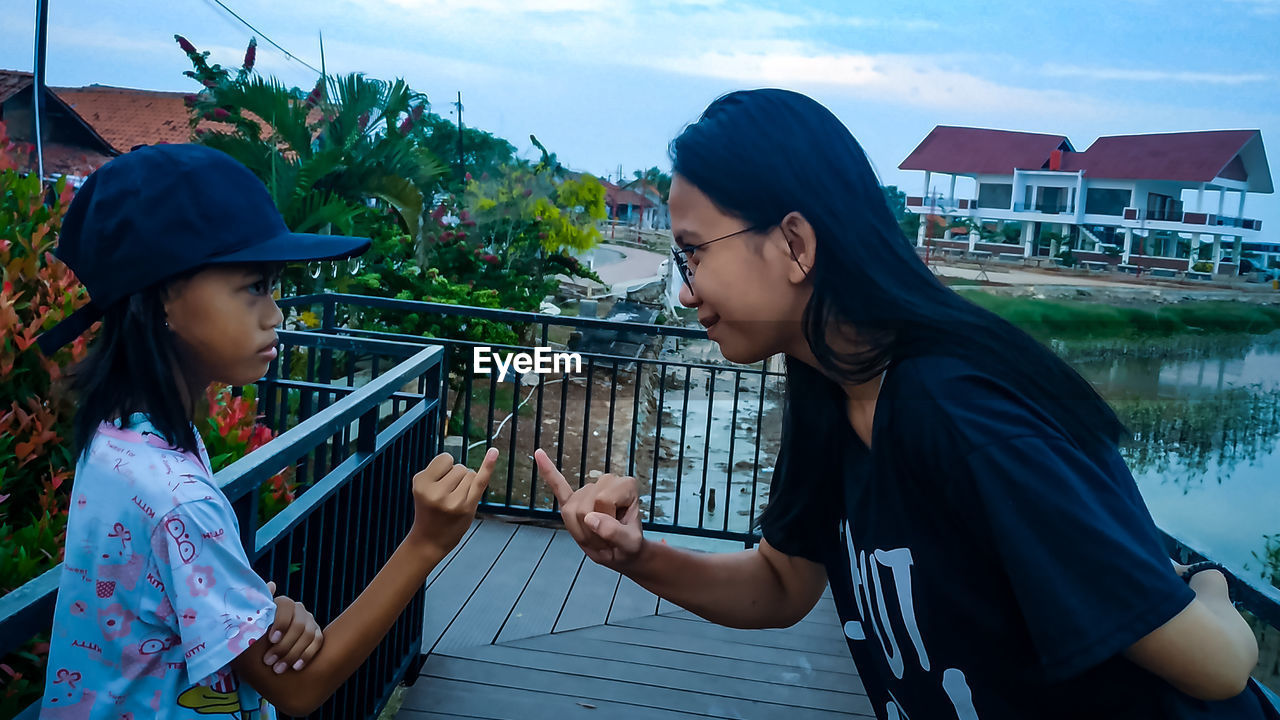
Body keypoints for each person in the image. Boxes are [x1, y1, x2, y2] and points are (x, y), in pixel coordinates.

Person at [533, 89, 1273, 719]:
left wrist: (1207, 585)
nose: (686, 289)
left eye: (694, 253)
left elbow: (1216, 667)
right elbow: (783, 583)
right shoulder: (829, 386)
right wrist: (636, 557)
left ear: (794, 244)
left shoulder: (959, 410)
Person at [37, 144, 498, 719]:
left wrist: (260, 608)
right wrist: (426, 541)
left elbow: (169, 596)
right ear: (162, 299)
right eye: (254, 286)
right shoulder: (176, 497)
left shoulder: (120, 435)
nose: (275, 312)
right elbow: (301, 688)